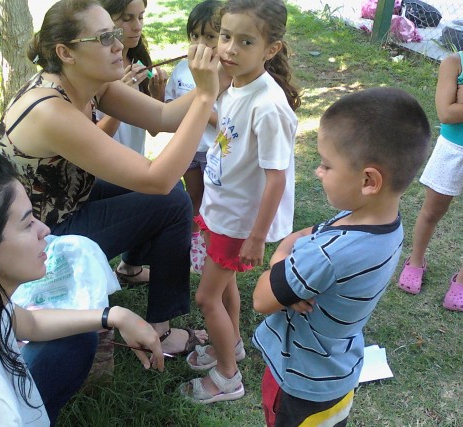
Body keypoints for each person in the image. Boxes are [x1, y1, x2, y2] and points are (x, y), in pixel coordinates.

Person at [0, 0, 224, 356]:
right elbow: (156, 179)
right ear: (65, 53)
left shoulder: (87, 83)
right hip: (43, 237)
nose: (120, 44)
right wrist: (207, 95)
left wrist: (219, 76)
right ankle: (160, 335)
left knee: (173, 200)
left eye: (115, 34)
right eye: (104, 38)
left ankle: (134, 276)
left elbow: (163, 117)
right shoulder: (49, 110)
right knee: (170, 198)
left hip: (70, 203)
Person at [0, 152, 165, 426]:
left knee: (79, 338)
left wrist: (114, 315)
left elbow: (30, 323)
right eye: (27, 224)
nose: (44, 229)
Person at [252, 87, 430, 426]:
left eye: (326, 164)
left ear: (369, 180)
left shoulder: (326, 256)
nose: (318, 171)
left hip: (299, 382)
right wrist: (291, 267)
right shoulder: (386, 225)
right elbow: (306, 234)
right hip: (336, 370)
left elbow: (262, 298)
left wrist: (279, 261)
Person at [180, 0, 300, 403]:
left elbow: (276, 178)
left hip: (240, 223)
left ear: (271, 49)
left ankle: (228, 376)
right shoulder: (233, 84)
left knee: (206, 296)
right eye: (226, 37)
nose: (229, 49)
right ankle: (229, 346)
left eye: (245, 41)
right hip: (221, 209)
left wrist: (257, 237)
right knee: (224, 287)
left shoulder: (268, 106)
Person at [397, 50, 463, 312]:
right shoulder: (453, 62)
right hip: (453, 149)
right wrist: (455, 106)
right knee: (432, 211)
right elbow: (446, 113)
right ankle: (415, 261)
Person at [165, 0, 222, 274]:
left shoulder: (227, 74)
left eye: (210, 36)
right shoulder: (181, 70)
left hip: (213, 151)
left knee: (210, 198)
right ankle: (191, 239)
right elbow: (168, 108)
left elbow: (228, 121)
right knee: (192, 196)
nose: (200, 43)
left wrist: (202, 108)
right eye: (195, 36)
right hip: (188, 149)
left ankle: (207, 242)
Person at [96, 0, 168, 154]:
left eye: (141, 17)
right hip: (102, 174)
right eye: (127, 19)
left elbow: (153, 130)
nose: (138, 26)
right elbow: (91, 143)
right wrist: (121, 100)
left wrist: (156, 96)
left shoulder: (138, 61)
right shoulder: (93, 71)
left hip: (136, 165)